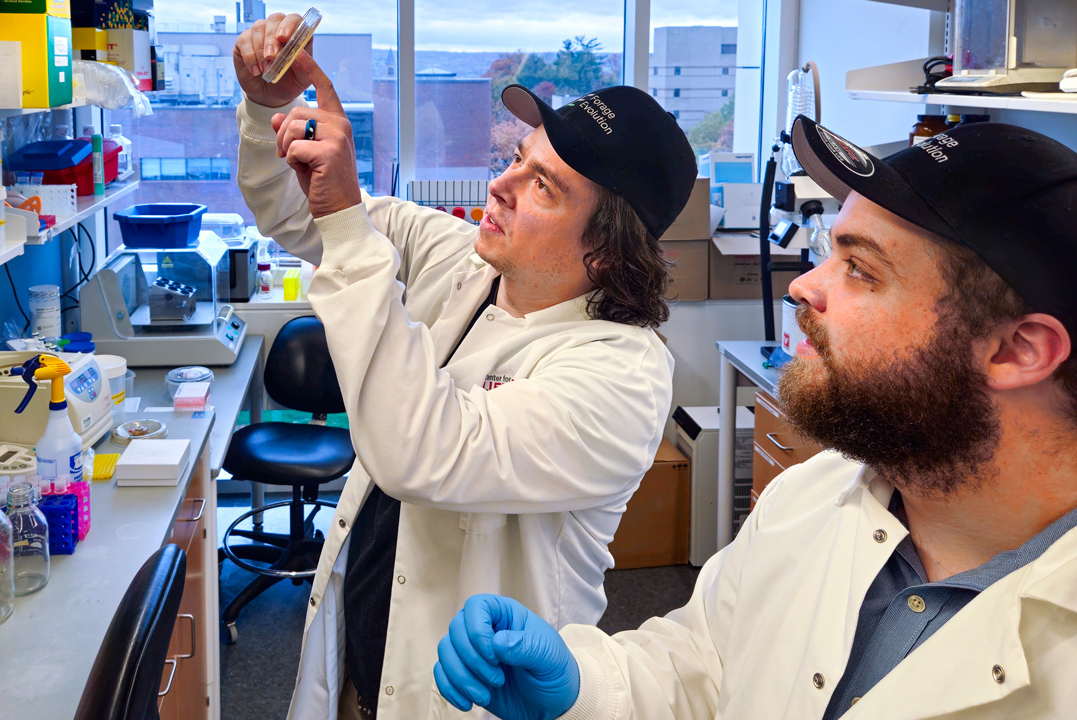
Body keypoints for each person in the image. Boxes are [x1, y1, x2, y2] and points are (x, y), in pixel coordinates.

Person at [432, 116, 1077, 719]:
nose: (804, 285)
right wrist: (585, 685)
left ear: (1016, 350)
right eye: (829, 252)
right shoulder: (811, 493)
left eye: (860, 269)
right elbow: (704, 666)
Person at [232, 13, 698, 719]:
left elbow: (421, 451)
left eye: (542, 186)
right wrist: (268, 107)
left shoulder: (621, 374)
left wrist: (353, 236)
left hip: (469, 696)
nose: (501, 185)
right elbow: (299, 216)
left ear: (605, 249)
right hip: (361, 661)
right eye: (517, 158)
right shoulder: (463, 258)